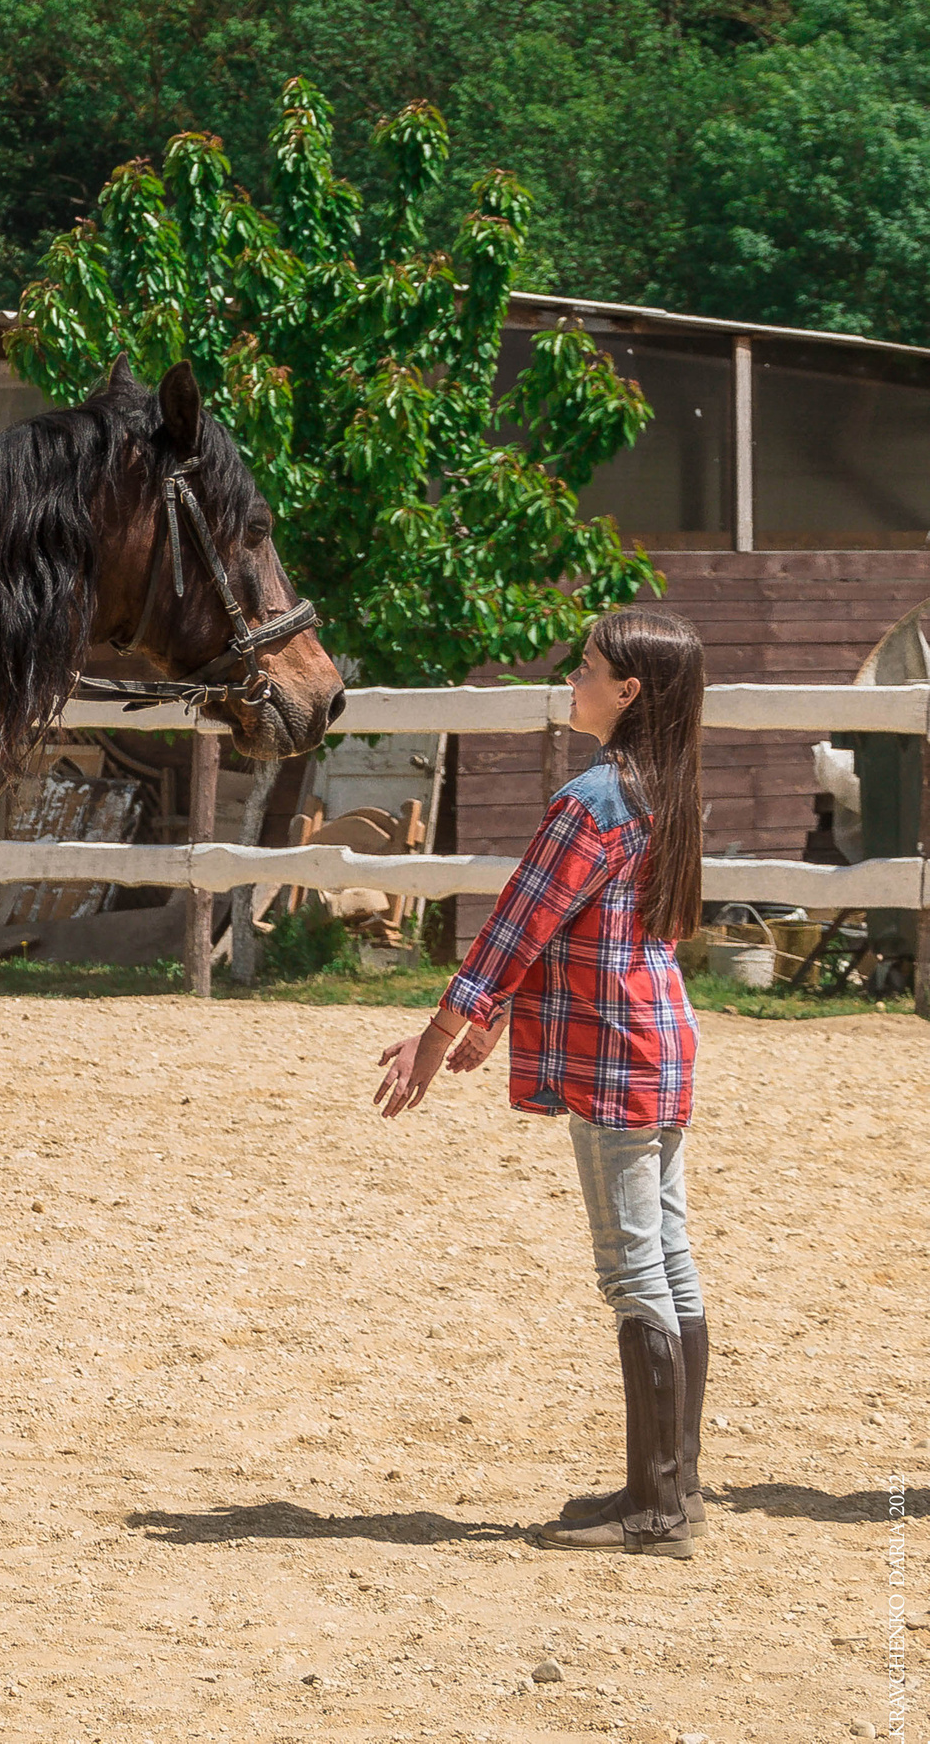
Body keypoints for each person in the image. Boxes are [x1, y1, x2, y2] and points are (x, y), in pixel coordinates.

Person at [373, 607, 708, 1560]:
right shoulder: (668, 792)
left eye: (589, 668)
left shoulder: (594, 799)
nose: (574, 680)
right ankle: (672, 1481)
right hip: (660, 1040)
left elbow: (518, 925)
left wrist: (440, 1034)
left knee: (632, 1265)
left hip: (611, 1056)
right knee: (668, 1256)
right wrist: (507, 1019)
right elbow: (591, 933)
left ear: (629, 691)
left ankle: (656, 1510)